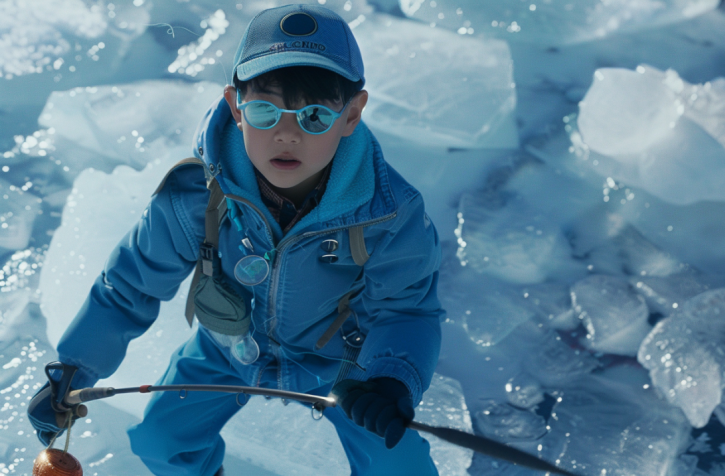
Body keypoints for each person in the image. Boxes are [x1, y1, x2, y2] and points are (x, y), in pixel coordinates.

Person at [27, 4, 444, 475]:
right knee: (162, 442)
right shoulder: (194, 196)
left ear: (351, 115)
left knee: (399, 466)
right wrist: (72, 371)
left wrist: (390, 381)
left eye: (313, 117)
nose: (286, 135)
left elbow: (406, 309)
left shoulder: (389, 212)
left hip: (343, 364)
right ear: (235, 107)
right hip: (227, 349)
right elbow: (130, 287)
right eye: (265, 111)